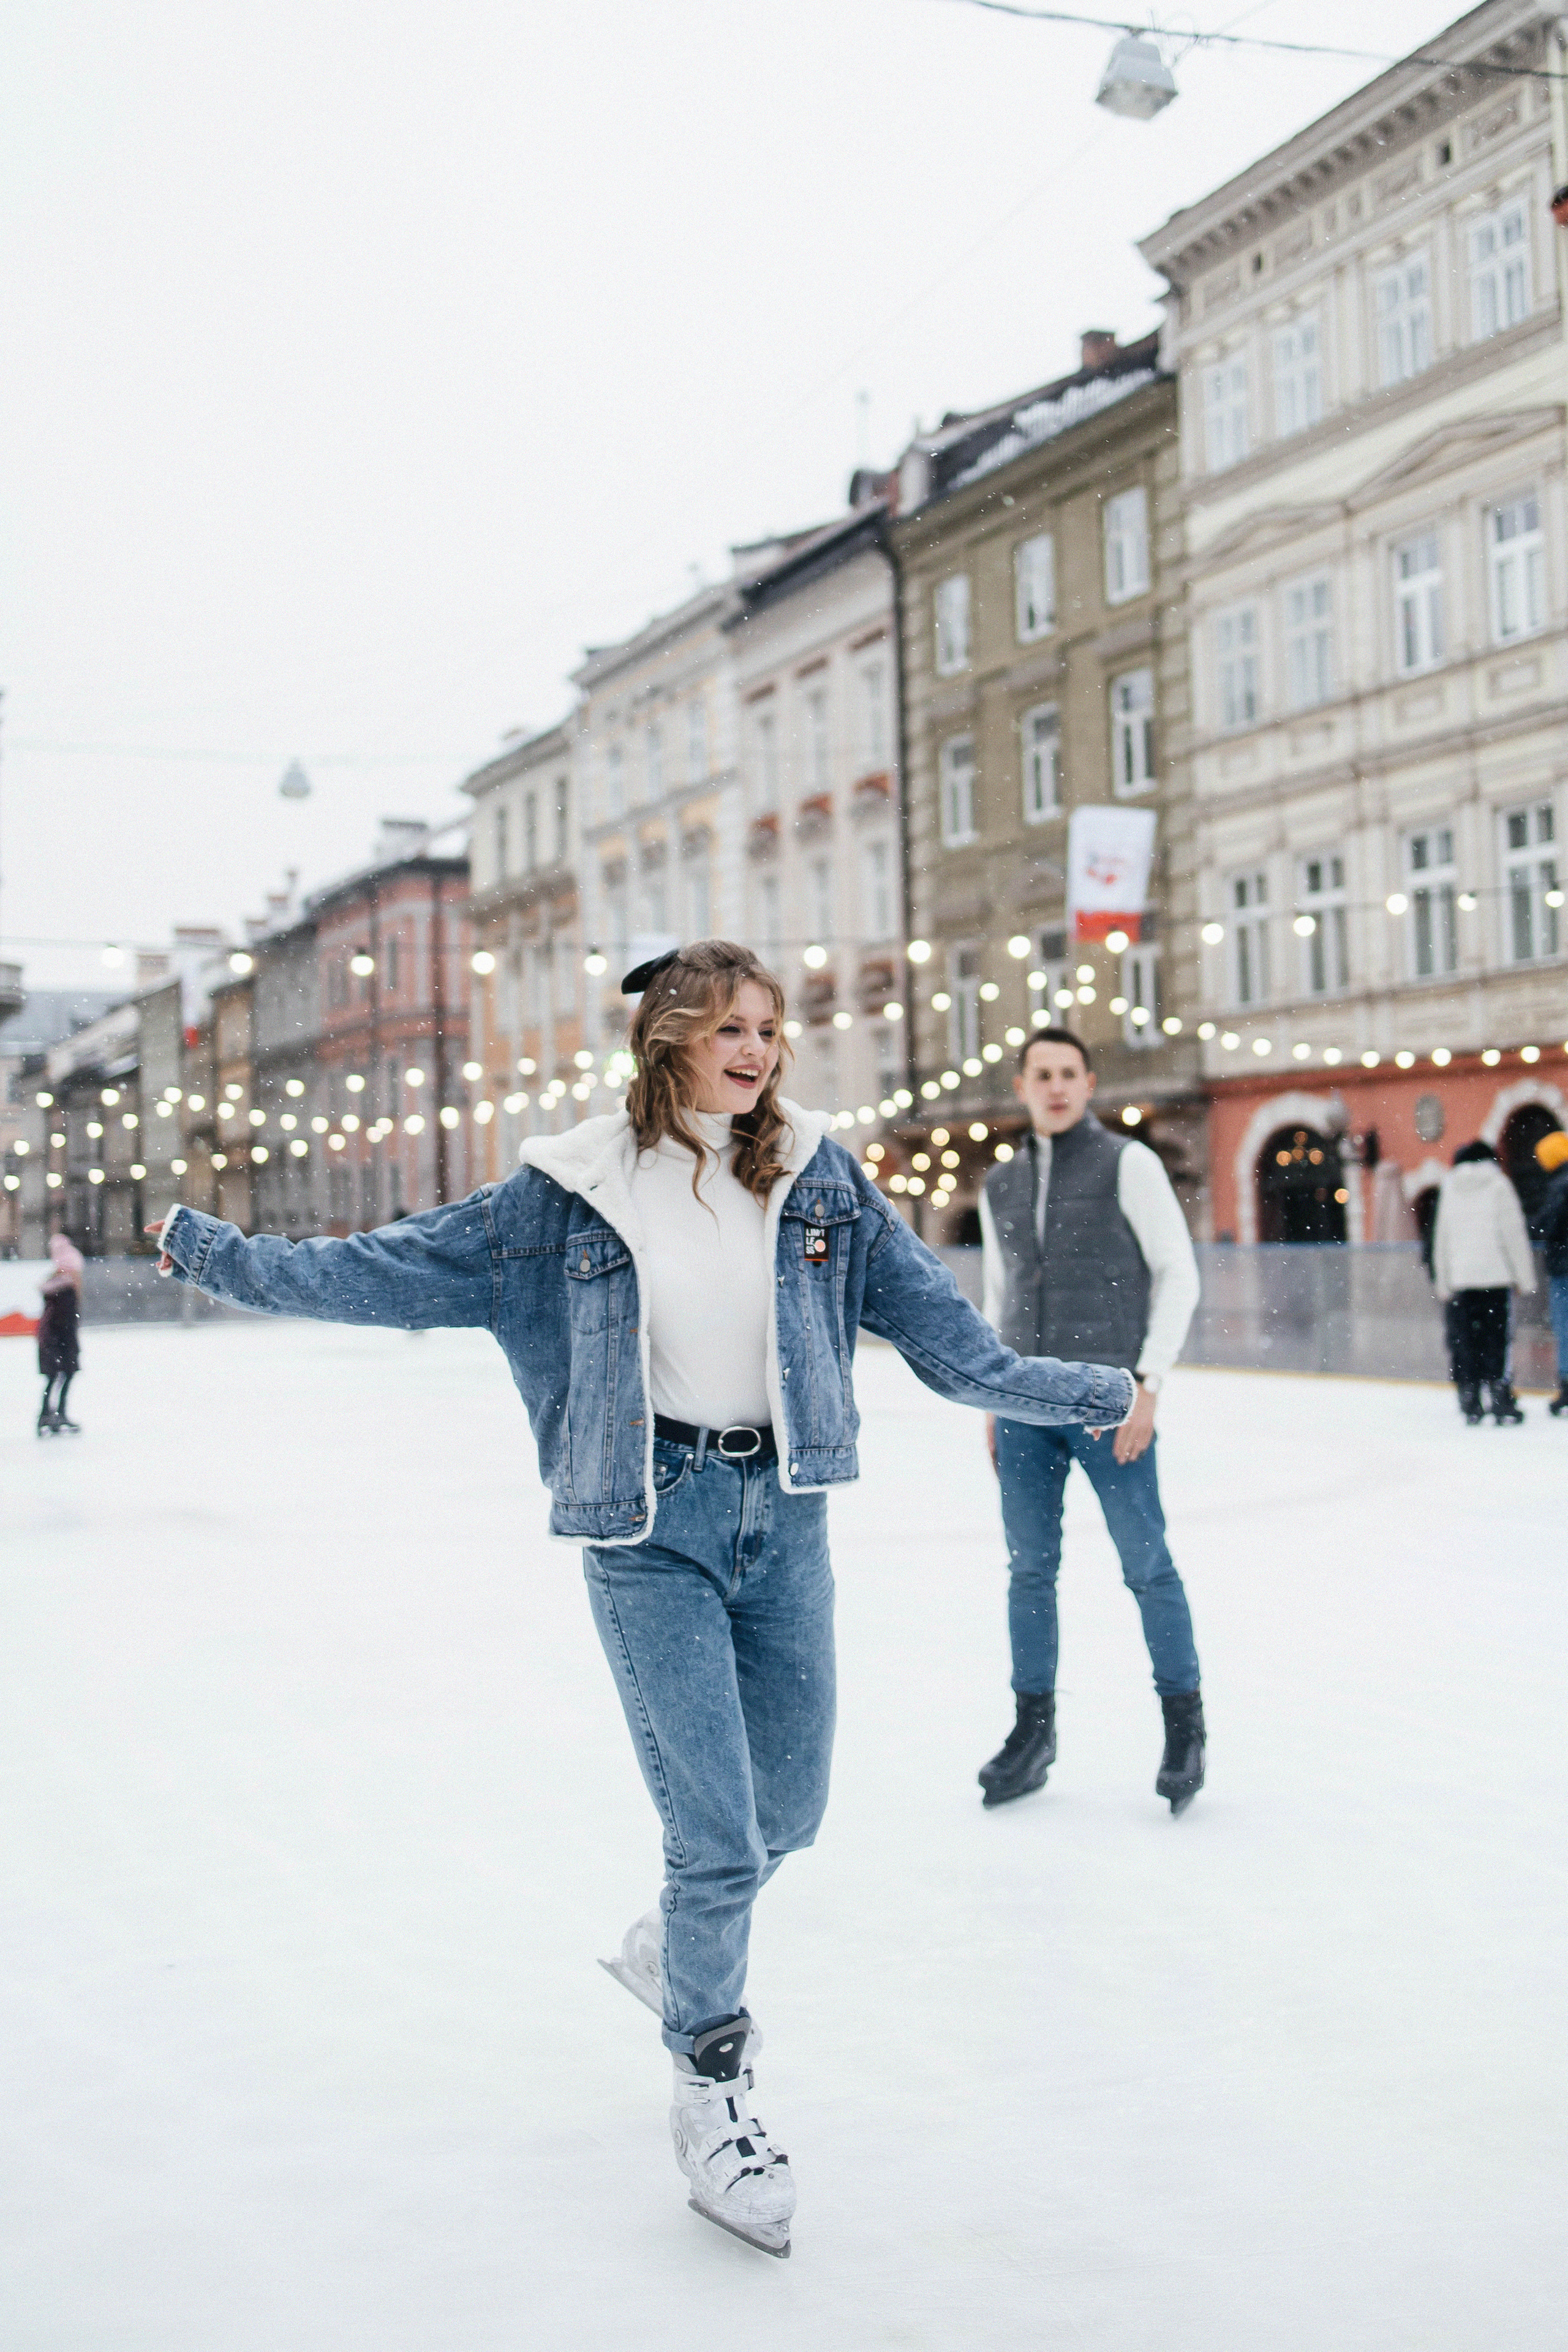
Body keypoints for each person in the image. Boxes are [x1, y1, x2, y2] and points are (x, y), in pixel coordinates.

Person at [147, 940, 1136, 2260]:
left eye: (768, 1029)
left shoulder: (819, 1177)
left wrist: (1099, 1391)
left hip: (785, 1520)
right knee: (717, 1838)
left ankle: (677, 1947)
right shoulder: (567, 1194)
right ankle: (712, 2089)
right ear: (668, 1039)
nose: (757, 1051)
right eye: (730, 1027)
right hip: (650, 1525)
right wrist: (220, 1256)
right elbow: (380, 1270)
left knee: (790, 1812)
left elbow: (955, 1353)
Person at [976, 1027, 1204, 1815]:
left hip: (1110, 1402)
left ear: (1088, 1083)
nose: (1056, 1086)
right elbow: (1000, 1295)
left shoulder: (1128, 1164)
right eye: (1041, 1074)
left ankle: (1184, 1729)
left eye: (1068, 1073)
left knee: (1146, 1564)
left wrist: (1148, 1384)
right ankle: (1031, 1731)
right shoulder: (999, 1182)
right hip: (1024, 1405)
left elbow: (1177, 1273)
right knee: (1028, 1570)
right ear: (1022, 1087)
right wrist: (992, 1398)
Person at [1431, 1139, 1536, 1424]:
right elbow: (1513, 1234)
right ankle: (1500, 1395)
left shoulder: (1450, 1187)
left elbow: (1442, 1238)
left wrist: (1444, 1281)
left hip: (1462, 1280)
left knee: (1466, 1339)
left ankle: (1470, 1396)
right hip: (1495, 1277)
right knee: (1497, 1338)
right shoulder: (1499, 1185)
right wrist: (1524, 1277)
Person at [1529, 1128, 1568, 1418]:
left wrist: (1530, 1225)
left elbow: (1546, 1224)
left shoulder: (1559, 1186)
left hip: (1563, 1267)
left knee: (1564, 1325)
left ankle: (1566, 1385)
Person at [37, 1233, 84, 1435]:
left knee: (62, 1375)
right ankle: (48, 1415)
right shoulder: (63, 1290)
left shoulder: (61, 1289)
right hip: (56, 1341)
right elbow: (61, 1320)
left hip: (59, 1340)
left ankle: (54, 1414)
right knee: (57, 1375)